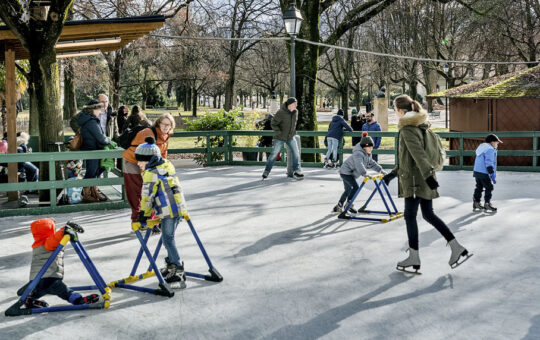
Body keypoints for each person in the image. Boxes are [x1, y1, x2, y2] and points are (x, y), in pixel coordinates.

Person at [383, 94, 469, 273]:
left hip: (416, 181)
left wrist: (428, 176)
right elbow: (409, 159)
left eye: (395, 110)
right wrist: (392, 174)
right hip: (423, 177)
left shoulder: (407, 129)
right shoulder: (423, 126)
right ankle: (456, 247)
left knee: (410, 216)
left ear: (400, 110)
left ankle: (414, 256)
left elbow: (418, 155)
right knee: (428, 214)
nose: (395, 113)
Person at [135, 137, 188, 289]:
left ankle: (178, 268)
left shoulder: (150, 174)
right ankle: (172, 266)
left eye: (141, 161)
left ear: (150, 160)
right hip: (177, 207)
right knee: (166, 239)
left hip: (169, 210)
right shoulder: (165, 167)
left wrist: (143, 214)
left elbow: (147, 196)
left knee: (168, 239)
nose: (139, 164)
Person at [18, 218, 99, 308]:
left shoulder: (38, 243)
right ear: (48, 230)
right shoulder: (47, 242)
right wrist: (64, 230)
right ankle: (76, 299)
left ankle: (29, 299)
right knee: (63, 290)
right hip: (49, 279)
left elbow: (55, 239)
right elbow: (55, 239)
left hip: (37, 280)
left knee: (37, 290)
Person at [123, 113, 173, 224]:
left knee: (152, 191)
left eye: (168, 125)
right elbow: (143, 156)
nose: (166, 127)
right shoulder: (147, 134)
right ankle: (137, 219)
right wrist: (148, 176)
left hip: (148, 164)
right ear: (158, 123)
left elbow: (162, 155)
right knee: (136, 191)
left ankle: (152, 219)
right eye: (163, 124)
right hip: (132, 161)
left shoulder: (166, 136)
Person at [334, 132, 386, 217]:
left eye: (371, 147)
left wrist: (380, 170)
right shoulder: (358, 153)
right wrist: (364, 173)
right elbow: (359, 164)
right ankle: (348, 205)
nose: (370, 149)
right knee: (355, 187)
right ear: (363, 147)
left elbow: (371, 163)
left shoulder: (368, 154)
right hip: (346, 172)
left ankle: (339, 206)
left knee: (348, 190)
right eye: (368, 147)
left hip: (350, 173)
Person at [78, 99, 113, 202]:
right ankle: (86, 195)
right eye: (99, 109)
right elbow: (101, 138)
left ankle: (94, 193)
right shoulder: (91, 122)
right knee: (91, 172)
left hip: (93, 149)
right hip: (92, 150)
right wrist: (109, 139)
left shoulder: (89, 120)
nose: (100, 111)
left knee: (96, 171)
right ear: (93, 109)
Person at [262, 97, 303, 180]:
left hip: (290, 137)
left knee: (296, 153)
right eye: (294, 104)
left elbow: (294, 124)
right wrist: (278, 132)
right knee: (274, 154)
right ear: (289, 105)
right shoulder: (281, 112)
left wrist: (293, 132)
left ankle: (297, 171)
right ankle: (266, 171)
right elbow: (273, 123)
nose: (296, 106)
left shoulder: (295, 112)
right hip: (280, 137)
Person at [473, 134, 502, 212]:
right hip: (484, 172)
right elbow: (489, 162)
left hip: (477, 171)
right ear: (492, 142)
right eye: (497, 142)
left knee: (479, 187)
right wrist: (491, 173)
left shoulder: (482, 148)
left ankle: (476, 202)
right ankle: (487, 204)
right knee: (489, 187)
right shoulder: (489, 149)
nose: (498, 144)